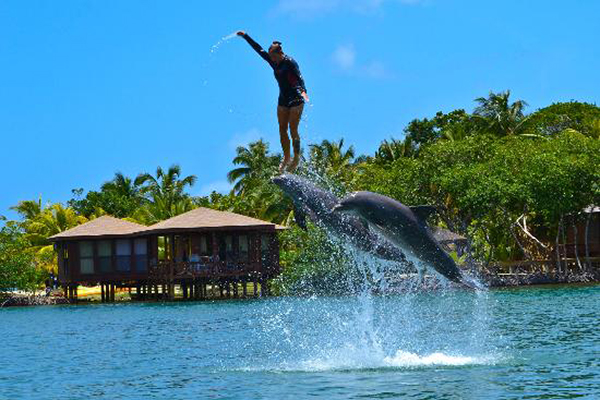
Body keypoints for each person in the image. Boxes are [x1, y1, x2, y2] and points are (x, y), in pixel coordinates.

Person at [237, 31, 309, 173]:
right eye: (270, 58)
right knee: (282, 128)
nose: (272, 60)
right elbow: (258, 49)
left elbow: (298, 78)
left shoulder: (290, 62)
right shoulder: (272, 60)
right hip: (283, 98)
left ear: (279, 54)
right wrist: (245, 36)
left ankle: (296, 158)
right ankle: (286, 157)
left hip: (296, 97)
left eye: (273, 57)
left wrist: (302, 91)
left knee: (293, 128)